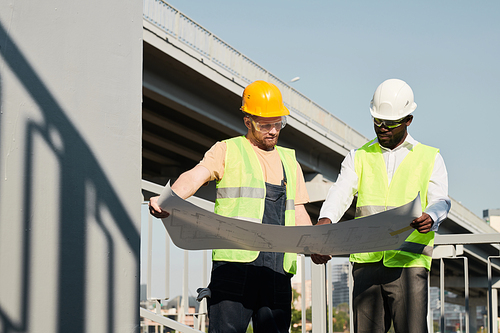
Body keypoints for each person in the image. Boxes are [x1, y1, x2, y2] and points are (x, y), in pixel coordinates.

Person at [149, 80, 322, 333]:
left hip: (277, 273)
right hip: (234, 268)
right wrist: (169, 198)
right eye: (265, 125)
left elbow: (297, 212)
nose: (273, 131)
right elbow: (196, 176)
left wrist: (316, 245)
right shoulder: (227, 150)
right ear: (247, 121)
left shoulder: (289, 161)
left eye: (278, 123)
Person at [318, 78, 451, 333]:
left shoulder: (430, 157)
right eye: (377, 122)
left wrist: (431, 217)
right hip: (367, 264)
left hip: (408, 264)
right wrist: (326, 221)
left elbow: (441, 200)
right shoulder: (358, 156)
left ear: (408, 120)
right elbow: (340, 192)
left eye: (389, 124)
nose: (382, 128)